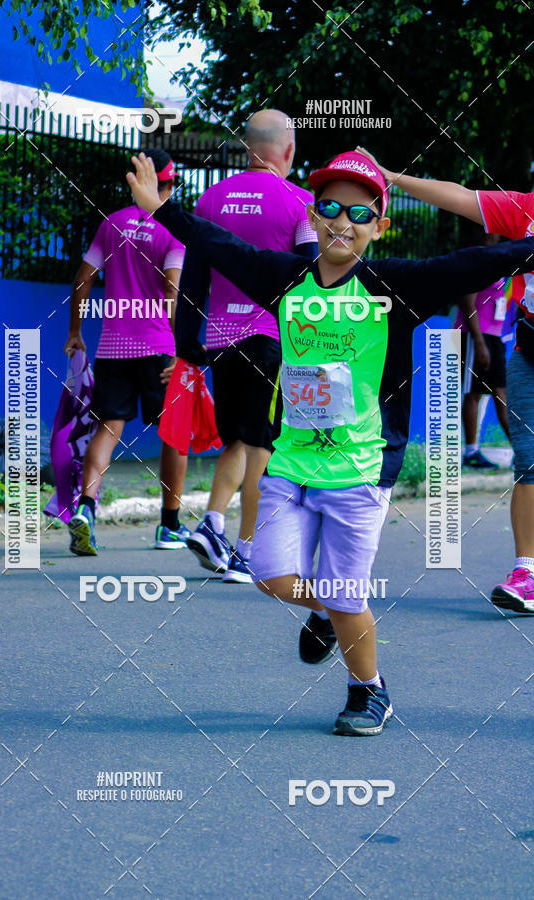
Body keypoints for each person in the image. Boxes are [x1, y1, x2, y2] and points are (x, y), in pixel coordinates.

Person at [127, 149, 534, 735]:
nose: (344, 222)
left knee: (348, 594)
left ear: (379, 226)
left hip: (361, 467)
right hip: (292, 463)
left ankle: (368, 691)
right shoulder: (285, 278)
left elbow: (472, 262)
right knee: (268, 574)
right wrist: (163, 210)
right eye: (331, 208)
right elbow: (221, 247)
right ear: (313, 216)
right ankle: (328, 610)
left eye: (360, 213)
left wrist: (529, 248)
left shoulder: (394, 286)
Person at [357, 147, 534, 614]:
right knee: (530, 461)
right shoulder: (526, 211)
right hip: (530, 352)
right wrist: (391, 175)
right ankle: (527, 572)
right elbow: (458, 196)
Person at [176, 109, 317, 583]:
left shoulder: (210, 199)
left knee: (238, 438)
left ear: (246, 148)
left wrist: (185, 337)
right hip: (271, 338)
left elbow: (194, 274)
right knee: (262, 444)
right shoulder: (301, 202)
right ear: (288, 151)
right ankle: (245, 550)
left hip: (219, 337)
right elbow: (310, 277)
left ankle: (213, 524)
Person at [64, 148, 190, 556]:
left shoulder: (112, 223)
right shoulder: (174, 229)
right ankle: (169, 526)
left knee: (108, 428)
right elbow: (172, 290)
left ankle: (86, 508)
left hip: (113, 347)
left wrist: (75, 332)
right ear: (169, 184)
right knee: (173, 434)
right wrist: (180, 350)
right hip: (159, 347)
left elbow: (83, 280)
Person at [456, 233, 511, 469]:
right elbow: (467, 303)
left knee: (500, 393)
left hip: (494, 336)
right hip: (474, 335)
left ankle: (522, 451)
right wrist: (478, 343)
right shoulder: (477, 259)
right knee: (473, 393)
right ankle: (471, 452)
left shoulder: (500, 259)